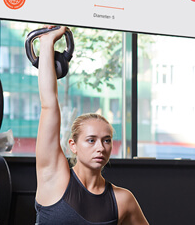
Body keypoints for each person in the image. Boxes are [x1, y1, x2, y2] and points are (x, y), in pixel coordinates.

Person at [34, 25, 149, 225]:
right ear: (73, 145)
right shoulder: (54, 177)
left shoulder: (123, 200)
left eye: (106, 140)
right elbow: (49, 105)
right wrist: (46, 43)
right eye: (91, 140)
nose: (100, 147)